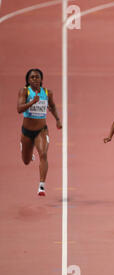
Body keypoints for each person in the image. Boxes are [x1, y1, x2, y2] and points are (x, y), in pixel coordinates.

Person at [17, 68, 62, 196]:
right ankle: (26, 148)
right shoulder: (24, 91)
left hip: (41, 130)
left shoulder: (47, 93)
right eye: (32, 77)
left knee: (43, 154)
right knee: (26, 161)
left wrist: (58, 120)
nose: (35, 79)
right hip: (27, 131)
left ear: (41, 79)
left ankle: (41, 186)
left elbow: (52, 106)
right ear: (28, 80)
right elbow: (19, 109)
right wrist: (32, 102)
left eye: (37, 77)